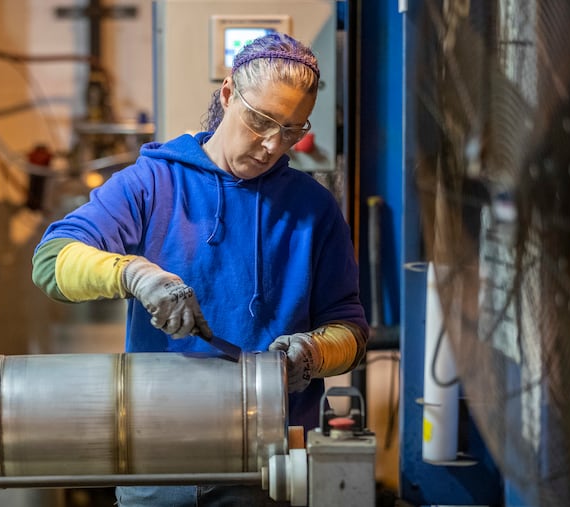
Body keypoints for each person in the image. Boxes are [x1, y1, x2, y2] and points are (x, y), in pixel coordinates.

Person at [32, 32, 368, 507]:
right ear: (228, 93)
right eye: (261, 121)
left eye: (292, 129)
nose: (273, 144)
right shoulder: (152, 183)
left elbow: (351, 332)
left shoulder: (313, 209)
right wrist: (136, 275)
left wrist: (313, 353)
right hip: (159, 457)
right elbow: (52, 261)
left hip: (271, 468)